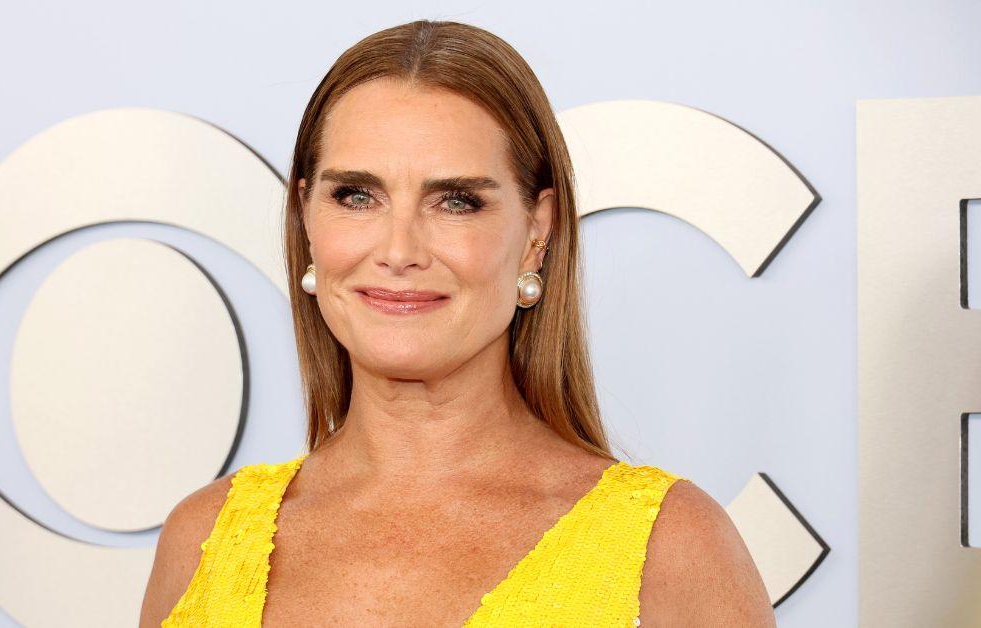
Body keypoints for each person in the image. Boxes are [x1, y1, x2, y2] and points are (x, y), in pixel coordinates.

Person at [140, 18, 774, 627]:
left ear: (536, 232)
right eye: (356, 196)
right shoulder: (202, 539)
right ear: (306, 216)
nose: (398, 249)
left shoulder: (672, 549)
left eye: (456, 202)